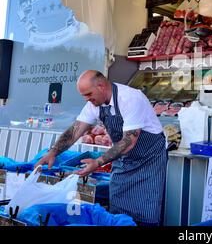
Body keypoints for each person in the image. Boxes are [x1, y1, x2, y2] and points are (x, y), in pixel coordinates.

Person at [35, 70, 167, 226]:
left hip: (148, 162)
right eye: (84, 96)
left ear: (101, 86)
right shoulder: (94, 104)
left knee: (145, 213)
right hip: (123, 160)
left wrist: (98, 162)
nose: (87, 99)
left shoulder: (131, 98)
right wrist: (53, 152)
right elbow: (75, 130)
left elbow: (129, 141)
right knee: (117, 211)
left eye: (88, 94)